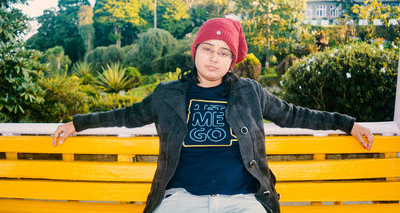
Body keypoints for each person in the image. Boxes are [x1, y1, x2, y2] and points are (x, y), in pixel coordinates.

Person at [52, 18, 373, 213]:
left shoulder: (249, 92)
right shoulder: (168, 94)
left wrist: (346, 124)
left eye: (223, 52)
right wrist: (77, 123)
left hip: (243, 201)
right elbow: (126, 114)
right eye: (207, 48)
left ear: (232, 60)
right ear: (195, 52)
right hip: (181, 199)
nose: (214, 58)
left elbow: (293, 115)